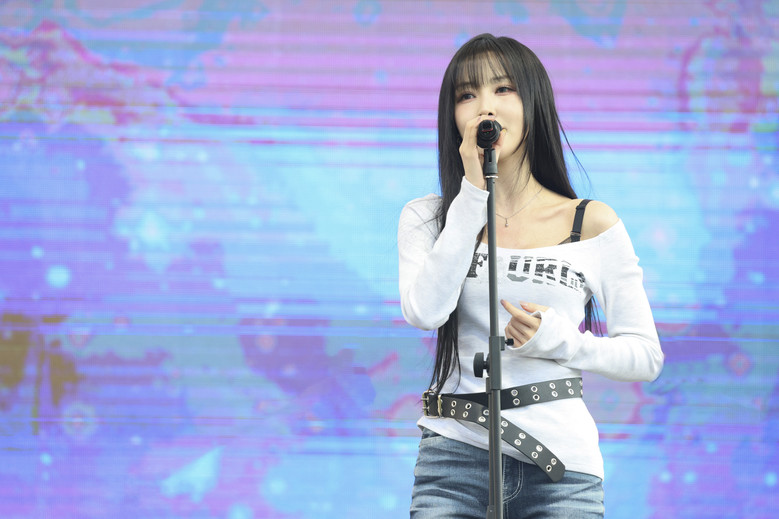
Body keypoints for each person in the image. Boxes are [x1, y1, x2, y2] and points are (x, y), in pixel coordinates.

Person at [397, 33, 664, 518]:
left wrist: (563, 341)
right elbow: (425, 312)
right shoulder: (429, 217)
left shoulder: (590, 222)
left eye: (503, 89)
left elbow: (645, 356)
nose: (485, 106)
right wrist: (473, 194)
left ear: (533, 101)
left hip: (562, 469)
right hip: (454, 457)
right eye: (466, 94)